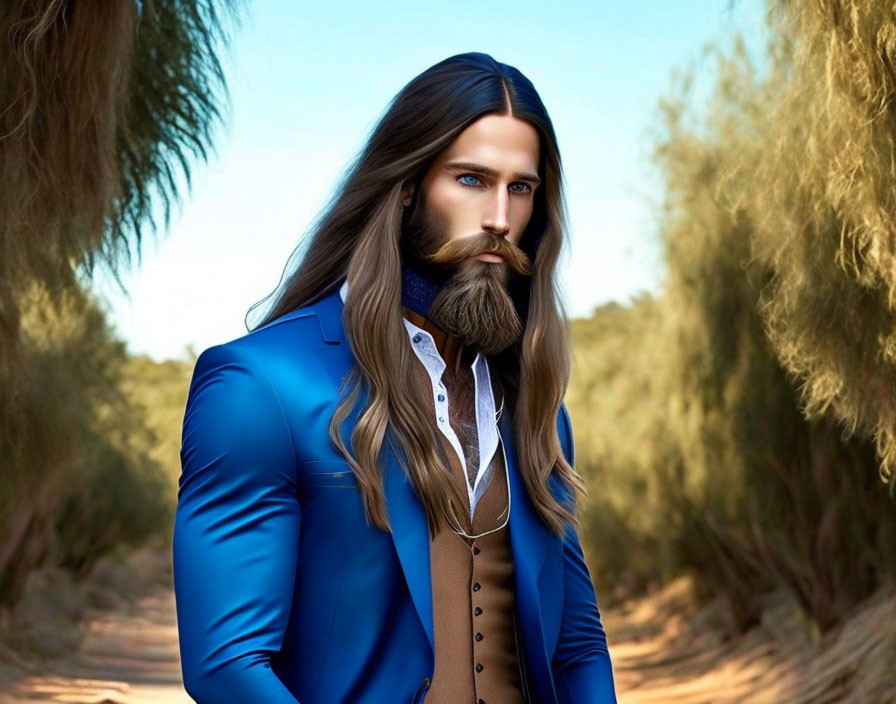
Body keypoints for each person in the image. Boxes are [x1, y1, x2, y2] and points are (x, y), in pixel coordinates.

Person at [173, 51, 617, 704]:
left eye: (520, 187)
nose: (498, 216)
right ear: (407, 185)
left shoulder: (537, 413)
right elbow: (227, 665)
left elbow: (576, 647)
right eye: (471, 179)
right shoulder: (259, 387)